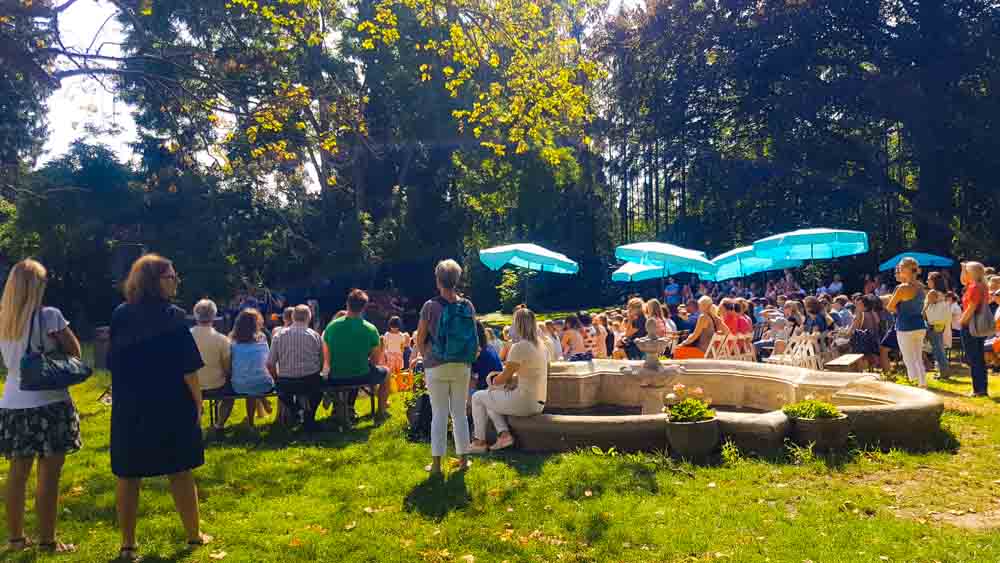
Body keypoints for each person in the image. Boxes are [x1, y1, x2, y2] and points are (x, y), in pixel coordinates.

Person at [109, 254, 211, 560]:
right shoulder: (174, 316)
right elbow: (189, 369)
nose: (176, 281)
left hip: (131, 404)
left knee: (129, 475)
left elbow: (113, 362)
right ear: (153, 281)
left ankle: (128, 546)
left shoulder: (120, 314)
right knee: (180, 471)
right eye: (171, 276)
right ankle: (194, 536)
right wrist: (198, 403)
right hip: (171, 403)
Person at [0, 260, 82, 553]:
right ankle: (48, 540)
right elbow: (76, 352)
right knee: (49, 475)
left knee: (17, 474)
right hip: (49, 402)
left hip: (12, 403)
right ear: (37, 286)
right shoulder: (50, 316)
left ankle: (16, 539)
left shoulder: (4, 318)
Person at [415, 260, 477, 474]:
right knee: (459, 413)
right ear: (457, 280)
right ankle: (463, 461)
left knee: (439, 414)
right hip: (462, 365)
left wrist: (427, 358)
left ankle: (437, 465)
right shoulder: (467, 305)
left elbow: (420, 338)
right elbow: (474, 338)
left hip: (436, 365)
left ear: (437, 280)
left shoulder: (430, 306)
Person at [469, 308, 548, 453]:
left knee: (477, 397)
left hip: (525, 402)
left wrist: (491, 379)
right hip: (538, 402)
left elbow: (503, 378)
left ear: (518, 324)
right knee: (489, 397)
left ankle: (479, 442)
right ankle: (504, 435)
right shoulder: (541, 345)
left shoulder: (519, 346)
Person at [322, 289, 390, 419]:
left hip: (336, 376)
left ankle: (340, 408)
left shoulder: (331, 327)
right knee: (387, 373)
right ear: (364, 307)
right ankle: (381, 411)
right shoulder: (371, 329)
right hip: (361, 375)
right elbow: (375, 361)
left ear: (347, 304)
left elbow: (326, 357)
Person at [267, 305, 324, 430]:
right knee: (320, 389)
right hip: (311, 381)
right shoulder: (315, 335)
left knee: (281, 390)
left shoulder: (278, 336)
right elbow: (321, 362)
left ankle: (295, 411)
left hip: (287, 383)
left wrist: (277, 379)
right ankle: (309, 416)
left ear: (292, 317)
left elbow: (270, 364)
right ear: (309, 317)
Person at [191, 299, 234, 432]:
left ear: (195, 315)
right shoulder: (222, 339)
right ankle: (219, 425)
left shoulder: (186, 336)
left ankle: (195, 424)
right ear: (214, 316)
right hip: (216, 386)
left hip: (191, 386)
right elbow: (227, 369)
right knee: (229, 398)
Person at [228, 308, 275, 429]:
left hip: (239, 385)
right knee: (256, 377)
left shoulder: (232, 341)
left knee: (249, 379)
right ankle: (261, 407)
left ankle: (251, 422)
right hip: (264, 383)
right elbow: (266, 361)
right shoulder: (262, 338)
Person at [886, 258, 928, 387]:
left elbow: (890, 307)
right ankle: (922, 383)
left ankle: (915, 384)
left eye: (900, 268)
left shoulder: (902, 288)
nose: (898, 270)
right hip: (920, 325)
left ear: (906, 270)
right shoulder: (921, 286)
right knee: (917, 357)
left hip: (905, 326)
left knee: (909, 358)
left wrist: (897, 309)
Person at [925, 273, 952, 379]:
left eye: (928, 280)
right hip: (940, 324)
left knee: (937, 349)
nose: (927, 282)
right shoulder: (943, 293)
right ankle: (943, 371)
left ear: (934, 281)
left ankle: (943, 373)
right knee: (939, 348)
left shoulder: (932, 292)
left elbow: (926, 308)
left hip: (933, 324)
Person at [472, 321, 504, 392]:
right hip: (497, 385)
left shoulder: (477, 350)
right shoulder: (489, 347)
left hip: (488, 387)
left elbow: (471, 374)